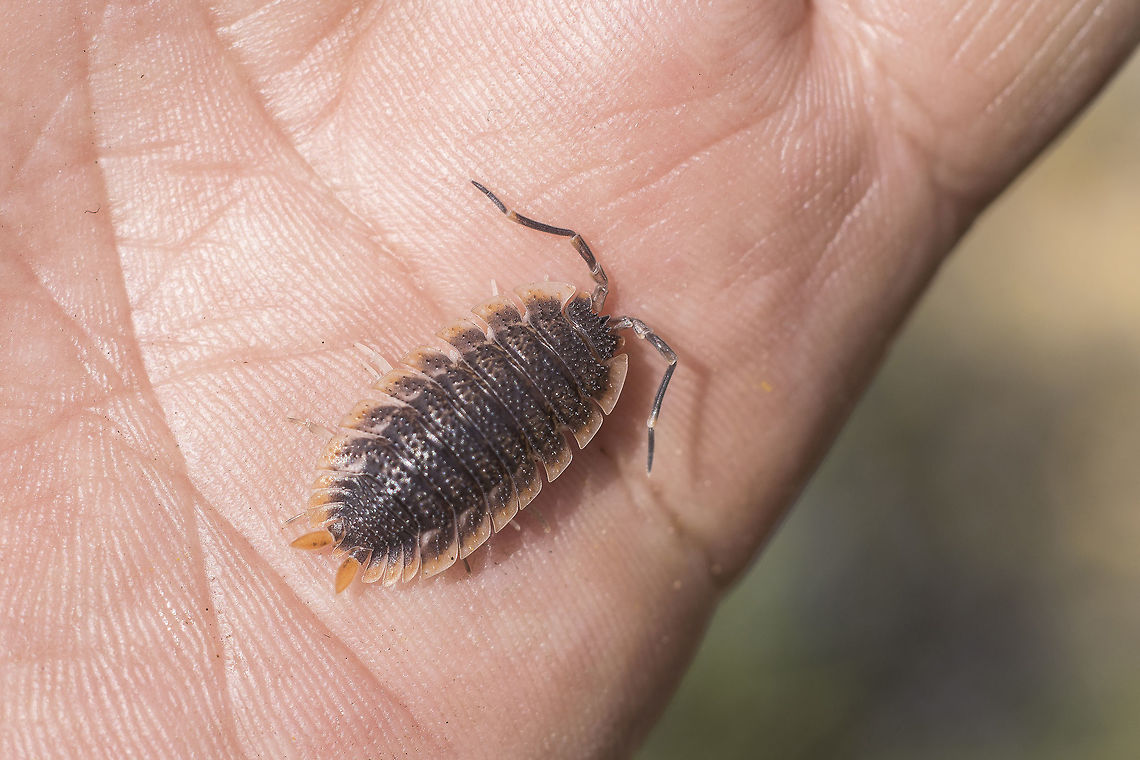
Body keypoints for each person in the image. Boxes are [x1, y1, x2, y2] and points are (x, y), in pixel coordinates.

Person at [2, 2, 1136, 757]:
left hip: (411, 473)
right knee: (416, 483)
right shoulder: (574, 381)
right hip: (401, 479)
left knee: (417, 483)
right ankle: (351, 529)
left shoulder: (545, 356)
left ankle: (353, 532)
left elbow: (456, 387)